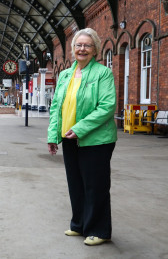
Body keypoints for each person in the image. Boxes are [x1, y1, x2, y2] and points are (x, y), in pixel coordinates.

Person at [47, 28, 117, 246]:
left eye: (87, 45)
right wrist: (53, 135)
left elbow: (107, 106)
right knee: (75, 184)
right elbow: (56, 106)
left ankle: (99, 230)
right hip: (69, 138)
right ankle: (79, 224)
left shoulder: (102, 73)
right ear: (72, 49)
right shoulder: (66, 74)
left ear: (95, 49)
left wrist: (80, 128)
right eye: (78, 45)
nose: (82, 49)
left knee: (95, 185)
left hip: (96, 139)